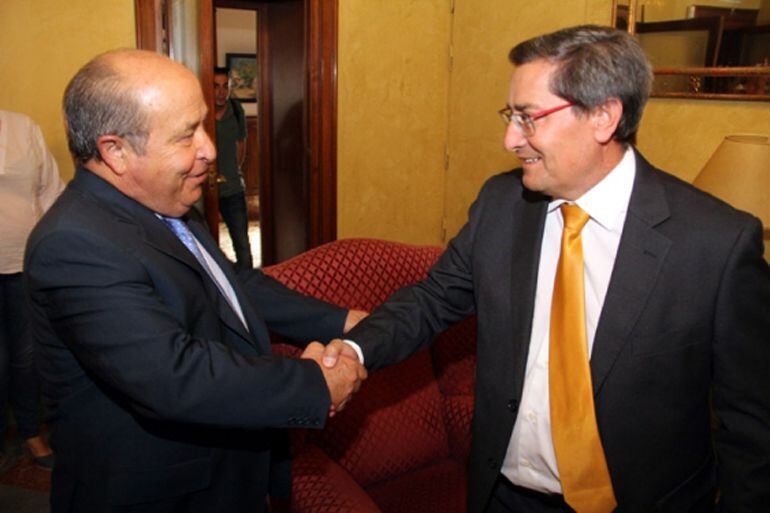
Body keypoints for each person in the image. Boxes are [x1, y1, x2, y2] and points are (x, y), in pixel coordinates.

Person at [323, 25, 770, 513]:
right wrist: (351, 349)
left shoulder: (715, 244)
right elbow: (431, 300)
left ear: (603, 116)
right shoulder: (501, 204)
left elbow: (752, 425)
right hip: (505, 497)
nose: (511, 139)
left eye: (528, 118)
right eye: (510, 116)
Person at [24, 49, 367, 513]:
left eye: (204, 125)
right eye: (186, 135)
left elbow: (233, 285)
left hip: (225, 468)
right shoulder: (73, 244)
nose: (208, 148)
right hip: (161, 493)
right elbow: (173, 376)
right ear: (115, 151)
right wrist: (312, 383)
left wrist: (343, 320)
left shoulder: (165, 204)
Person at [0, 109, 62, 471]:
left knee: (26, 357)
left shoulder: (24, 127)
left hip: (24, 263)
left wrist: (52, 247)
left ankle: (29, 432)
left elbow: (51, 190)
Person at [214, 66, 253, 271]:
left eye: (225, 86)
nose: (221, 92)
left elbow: (241, 148)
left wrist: (231, 172)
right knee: (208, 247)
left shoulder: (236, 111)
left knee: (242, 245)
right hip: (206, 191)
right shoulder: (200, 112)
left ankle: (250, 291)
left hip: (233, 189)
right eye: (216, 86)